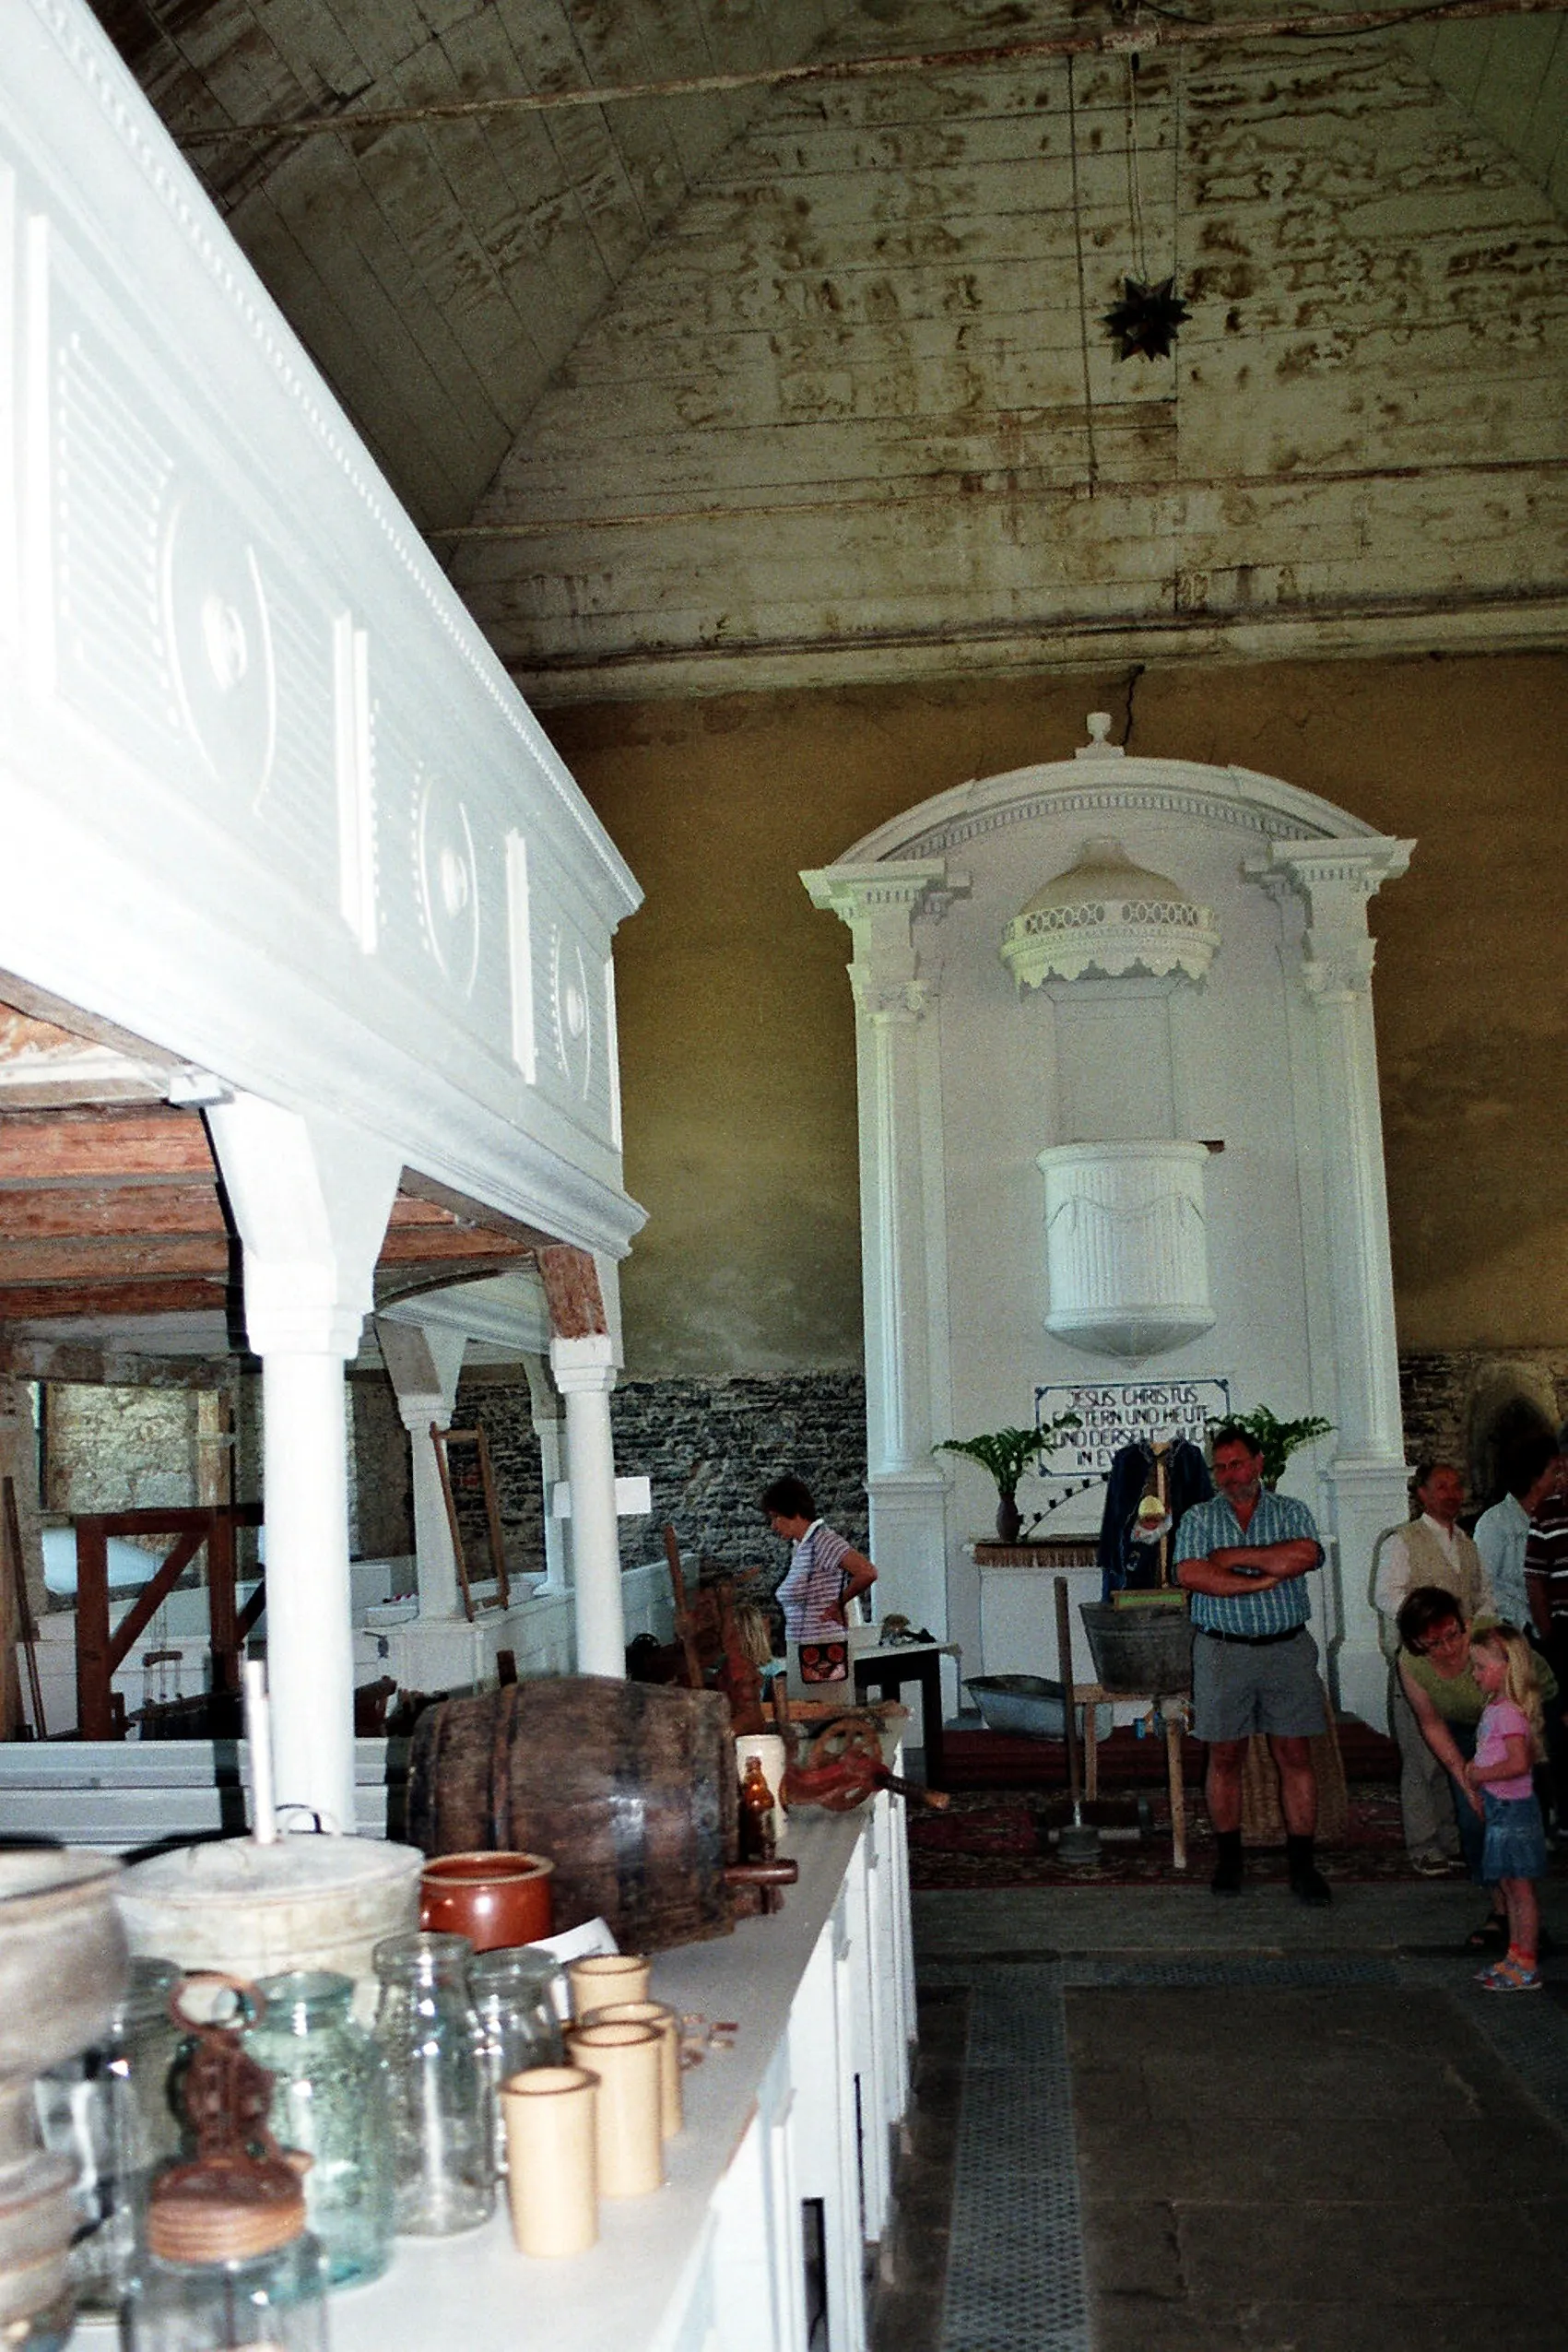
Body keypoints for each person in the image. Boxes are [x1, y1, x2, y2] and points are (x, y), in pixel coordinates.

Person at [1173, 1424, 1330, 1905]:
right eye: (1219, 1467)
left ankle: (1302, 1866)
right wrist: (1262, 1579)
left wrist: (1233, 1559)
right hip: (1222, 1653)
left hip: (1286, 1650)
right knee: (1224, 1757)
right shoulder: (1199, 1518)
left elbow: (1306, 1554)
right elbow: (1193, 1573)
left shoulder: (1292, 1510)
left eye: (1236, 1463)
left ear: (1258, 1462)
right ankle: (1229, 1860)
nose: (1227, 1475)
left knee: (1295, 1755)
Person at [1373, 1460, 1494, 1872]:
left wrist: (1476, 1635)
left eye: (1457, 1485)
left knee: (1457, 1752)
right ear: (1421, 1493)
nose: (1452, 1493)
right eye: (1441, 1486)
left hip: (1462, 1665)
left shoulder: (1466, 1543)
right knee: (1421, 1759)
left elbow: (1482, 1597)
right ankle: (1423, 1844)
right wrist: (1432, 1627)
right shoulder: (1402, 1541)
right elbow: (1386, 1595)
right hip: (1420, 1663)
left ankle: (1452, 1838)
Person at [1465, 1623, 1549, 1992]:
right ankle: (1515, 1954)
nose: (1475, 1674)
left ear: (1507, 1667)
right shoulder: (1497, 1708)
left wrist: (1480, 1774)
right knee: (1511, 1886)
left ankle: (1526, 1961)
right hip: (1501, 1810)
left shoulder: (1510, 1714)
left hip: (1514, 1813)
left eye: (1482, 1666)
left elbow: (1518, 1764)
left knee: (1520, 1889)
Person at [761, 1475, 877, 1691]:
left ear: (793, 1511)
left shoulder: (823, 1541)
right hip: (803, 1646)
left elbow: (867, 1572)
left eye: (776, 1517)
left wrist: (838, 1604)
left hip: (822, 1649)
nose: (773, 1525)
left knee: (822, 1713)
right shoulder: (802, 1547)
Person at [1473, 1433, 1562, 1632]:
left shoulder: (1554, 1517)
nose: (1561, 1479)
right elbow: (1483, 1585)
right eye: (1555, 1471)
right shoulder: (1495, 1523)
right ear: (1535, 1476)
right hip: (1516, 1629)